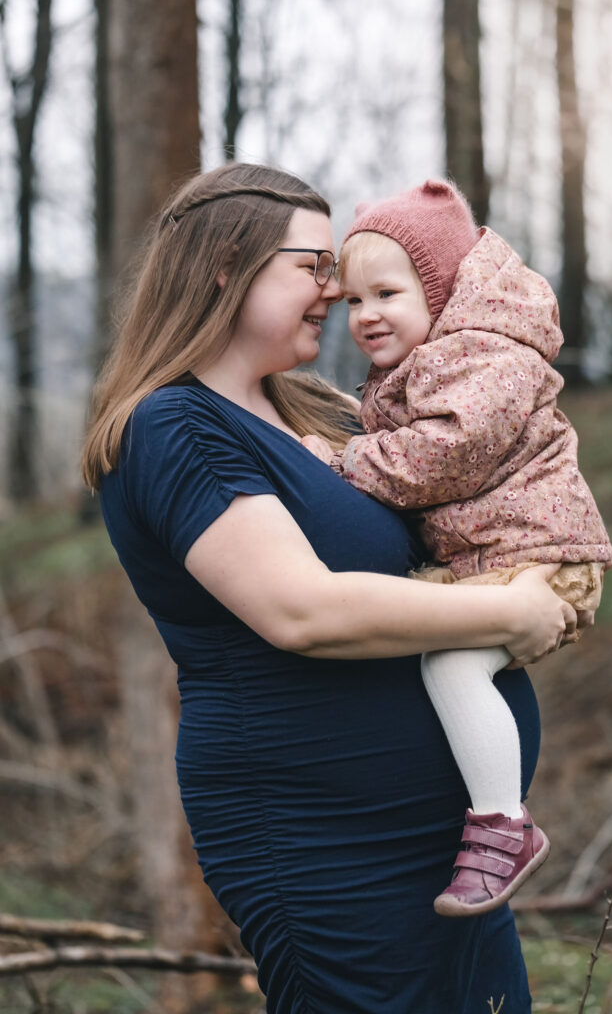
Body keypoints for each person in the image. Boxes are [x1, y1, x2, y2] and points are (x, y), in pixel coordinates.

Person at [81, 162, 577, 1014]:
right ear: (223, 267)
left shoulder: (326, 412)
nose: (335, 287)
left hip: (454, 844)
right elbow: (300, 611)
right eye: (314, 266)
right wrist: (514, 609)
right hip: (325, 840)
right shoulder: (174, 425)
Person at [301, 178, 612, 920]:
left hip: (539, 557)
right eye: (354, 301)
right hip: (493, 554)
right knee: (418, 640)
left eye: (388, 293)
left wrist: (344, 463)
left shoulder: (483, 356)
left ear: (441, 290)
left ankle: (503, 822)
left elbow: (449, 453)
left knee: (446, 656)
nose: (367, 315)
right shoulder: (432, 360)